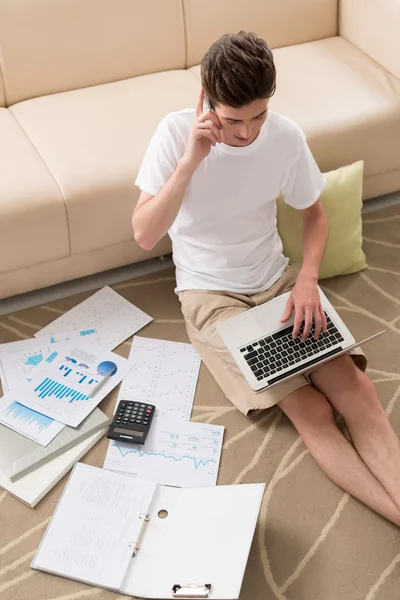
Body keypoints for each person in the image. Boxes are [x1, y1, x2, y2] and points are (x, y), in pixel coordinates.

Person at [132, 31, 400, 525]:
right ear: (206, 101)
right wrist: (191, 162)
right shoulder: (173, 135)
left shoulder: (284, 136)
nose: (247, 132)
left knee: (357, 390)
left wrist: (308, 279)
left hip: (277, 281)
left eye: (258, 115)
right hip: (211, 296)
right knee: (312, 411)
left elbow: (314, 216)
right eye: (233, 120)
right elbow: (145, 233)